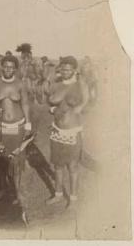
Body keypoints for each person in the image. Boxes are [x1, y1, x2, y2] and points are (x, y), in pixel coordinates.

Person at [46, 56, 89, 207]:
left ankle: (73, 199)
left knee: (72, 167)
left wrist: (81, 107)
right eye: (63, 69)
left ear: (74, 70)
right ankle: (58, 195)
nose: (65, 71)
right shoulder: (56, 84)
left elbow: (86, 99)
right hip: (57, 131)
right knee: (58, 166)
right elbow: (48, 99)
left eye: (68, 69)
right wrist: (51, 108)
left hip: (72, 131)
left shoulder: (80, 84)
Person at [0, 54, 32, 204]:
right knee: (0, 159)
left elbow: (25, 104)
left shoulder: (20, 84)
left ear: (15, 69)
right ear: (2, 67)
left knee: (16, 161)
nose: (8, 69)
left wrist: (28, 124)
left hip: (18, 126)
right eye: (6, 66)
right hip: (0, 127)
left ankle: (17, 191)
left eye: (11, 67)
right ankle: (2, 189)